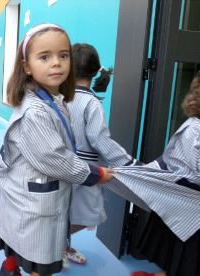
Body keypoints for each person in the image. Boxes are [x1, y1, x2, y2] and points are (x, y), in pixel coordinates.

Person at [0, 23, 114, 276]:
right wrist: (95, 174)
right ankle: (12, 268)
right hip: (36, 196)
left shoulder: (53, 99)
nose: (56, 63)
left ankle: (10, 267)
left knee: (22, 239)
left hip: (34, 191)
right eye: (45, 57)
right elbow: (54, 159)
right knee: (40, 258)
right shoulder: (35, 110)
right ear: (26, 66)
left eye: (63, 55)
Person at [65, 43, 139, 264]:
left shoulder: (60, 98)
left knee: (63, 211)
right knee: (93, 214)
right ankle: (56, 243)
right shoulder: (91, 103)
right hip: (86, 172)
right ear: (97, 71)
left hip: (61, 167)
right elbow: (99, 139)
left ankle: (59, 244)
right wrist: (128, 162)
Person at [127, 72, 200, 276]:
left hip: (184, 203)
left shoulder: (193, 125)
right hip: (188, 204)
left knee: (179, 256)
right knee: (185, 259)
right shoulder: (195, 130)